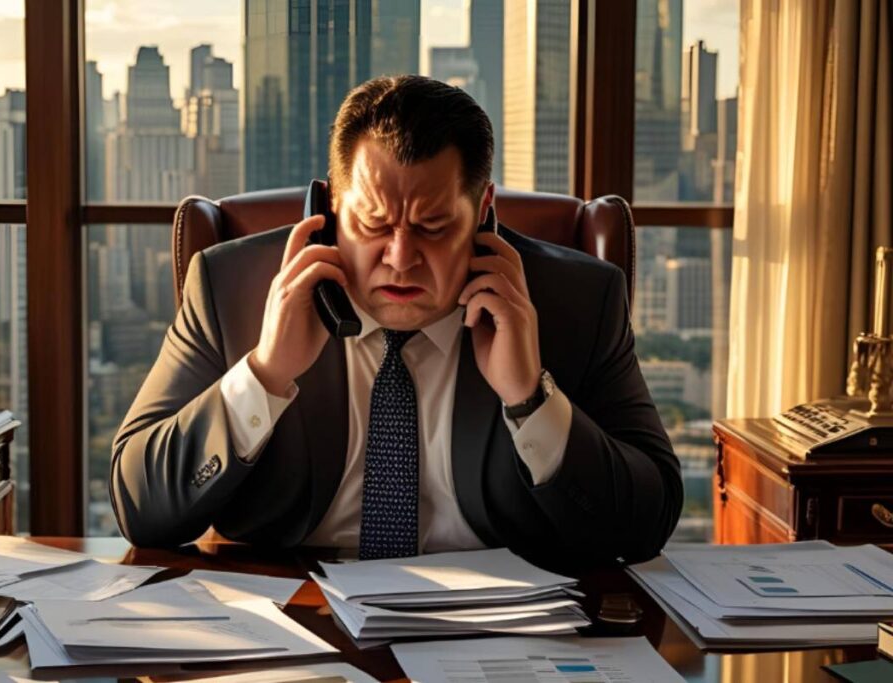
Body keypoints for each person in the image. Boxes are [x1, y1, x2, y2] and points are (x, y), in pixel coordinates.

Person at [110, 75, 682, 571]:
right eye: (373, 224)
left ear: (483, 210)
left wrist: (530, 398)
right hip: (293, 618)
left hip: (501, 627)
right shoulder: (231, 286)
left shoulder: (578, 299)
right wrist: (263, 373)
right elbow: (138, 507)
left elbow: (646, 524)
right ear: (331, 207)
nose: (401, 258)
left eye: (433, 227)